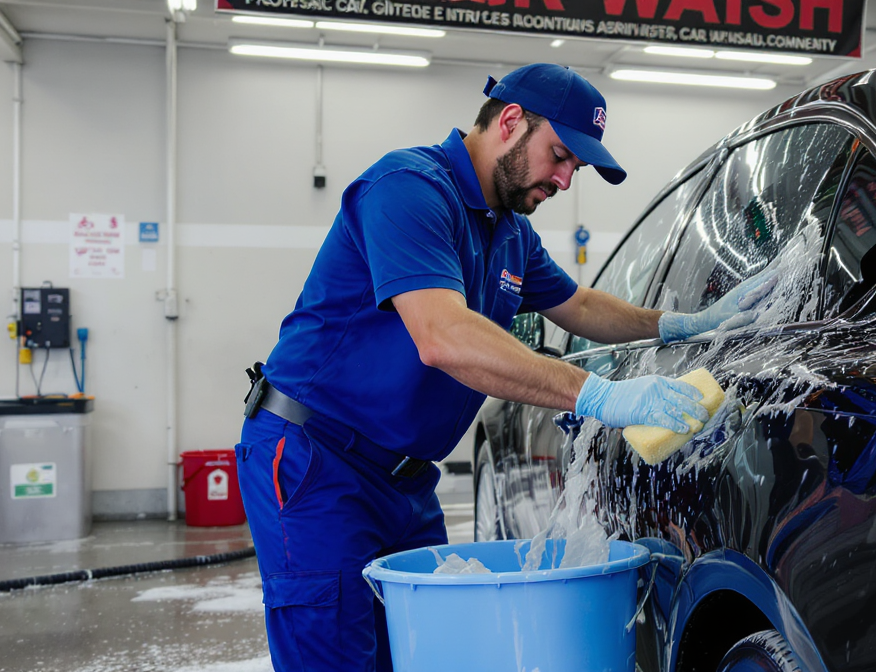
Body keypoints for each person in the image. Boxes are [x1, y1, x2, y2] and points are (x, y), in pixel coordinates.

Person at [234, 63, 778, 672]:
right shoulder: (408, 188)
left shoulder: (510, 231)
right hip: (316, 460)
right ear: (512, 121)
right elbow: (442, 336)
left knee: (421, 655)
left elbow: (579, 306)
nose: (567, 179)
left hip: (405, 479)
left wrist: (684, 324)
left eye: (576, 166)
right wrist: (599, 394)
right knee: (333, 657)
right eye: (562, 155)